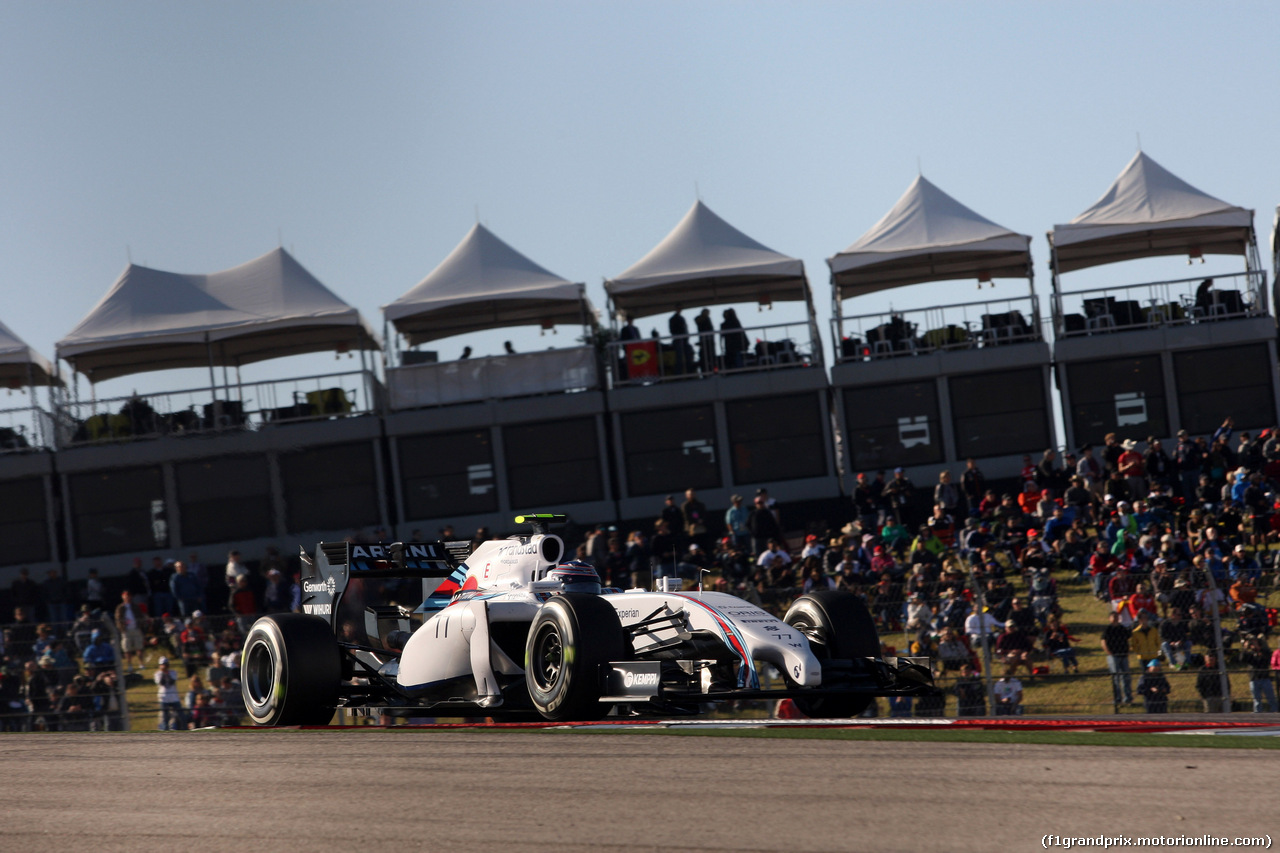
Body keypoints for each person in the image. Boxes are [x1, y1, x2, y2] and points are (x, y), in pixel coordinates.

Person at [1101, 611, 1133, 706]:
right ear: (1109, 618)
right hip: (1113, 655)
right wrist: (1109, 652)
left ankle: (1128, 698)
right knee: (1116, 678)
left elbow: (1129, 637)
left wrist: (1128, 651)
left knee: (1126, 677)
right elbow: (1103, 641)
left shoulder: (1122, 628)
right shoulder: (1108, 629)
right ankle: (1117, 699)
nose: (1115, 618)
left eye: (1116, 616)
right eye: (1113, 616)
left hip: (1123, 655)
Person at [113, 590, 147, 673]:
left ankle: (141, 663)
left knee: (139, 647)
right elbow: (118, 619)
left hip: (136, 629)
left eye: (129, 596)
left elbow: (140, 616)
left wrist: (140, 626)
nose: (127, 598)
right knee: (127, 649)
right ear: (123, 597)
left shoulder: (135, 606)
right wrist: (122, 628)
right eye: (126, 596)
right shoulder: (120, 607)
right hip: (126, 630)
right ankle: (130, 665)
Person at [154, 656, 183, 731]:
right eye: (163, 665)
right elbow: (161, 683)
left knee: (180, 716)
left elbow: (171, 682)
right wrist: (163, 673)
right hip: (164, 698)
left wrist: (167, 673)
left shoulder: (173, 672)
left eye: (166, 665)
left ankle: (182, 728)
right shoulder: (157, 674)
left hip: (174, 698)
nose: (165, 667)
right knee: (165, 718)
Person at [694, 307, 715, 373]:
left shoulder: (707, 319)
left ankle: (711, 371)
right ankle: (706, 371)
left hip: (708, 342)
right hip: (705, 342)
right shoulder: (702, 319)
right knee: (705, 358)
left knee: (710, 358)